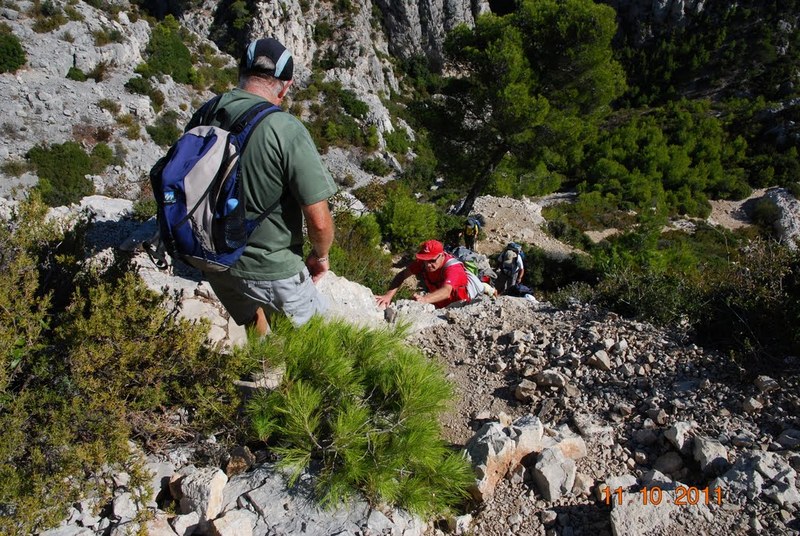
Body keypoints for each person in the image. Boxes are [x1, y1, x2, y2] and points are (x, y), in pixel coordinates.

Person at [186, 37, 337, 336]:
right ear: (286, 85)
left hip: (213, 260)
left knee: (258, 328)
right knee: (324, 343)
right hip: (271, 268)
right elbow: (319, 221)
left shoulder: (206, 112)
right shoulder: (285, 129)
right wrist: (320, 257)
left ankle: (264, 370)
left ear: (240, 73)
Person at [375, 240, 472, 309]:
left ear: (442, 255)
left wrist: (424, 299)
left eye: (432, 260)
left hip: (459, 309)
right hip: (440, 307)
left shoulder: (453, 269)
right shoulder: (423, 263)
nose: (428, 264)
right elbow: (402, 275)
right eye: (425, 260)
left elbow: (446, 291)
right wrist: (388, 295)